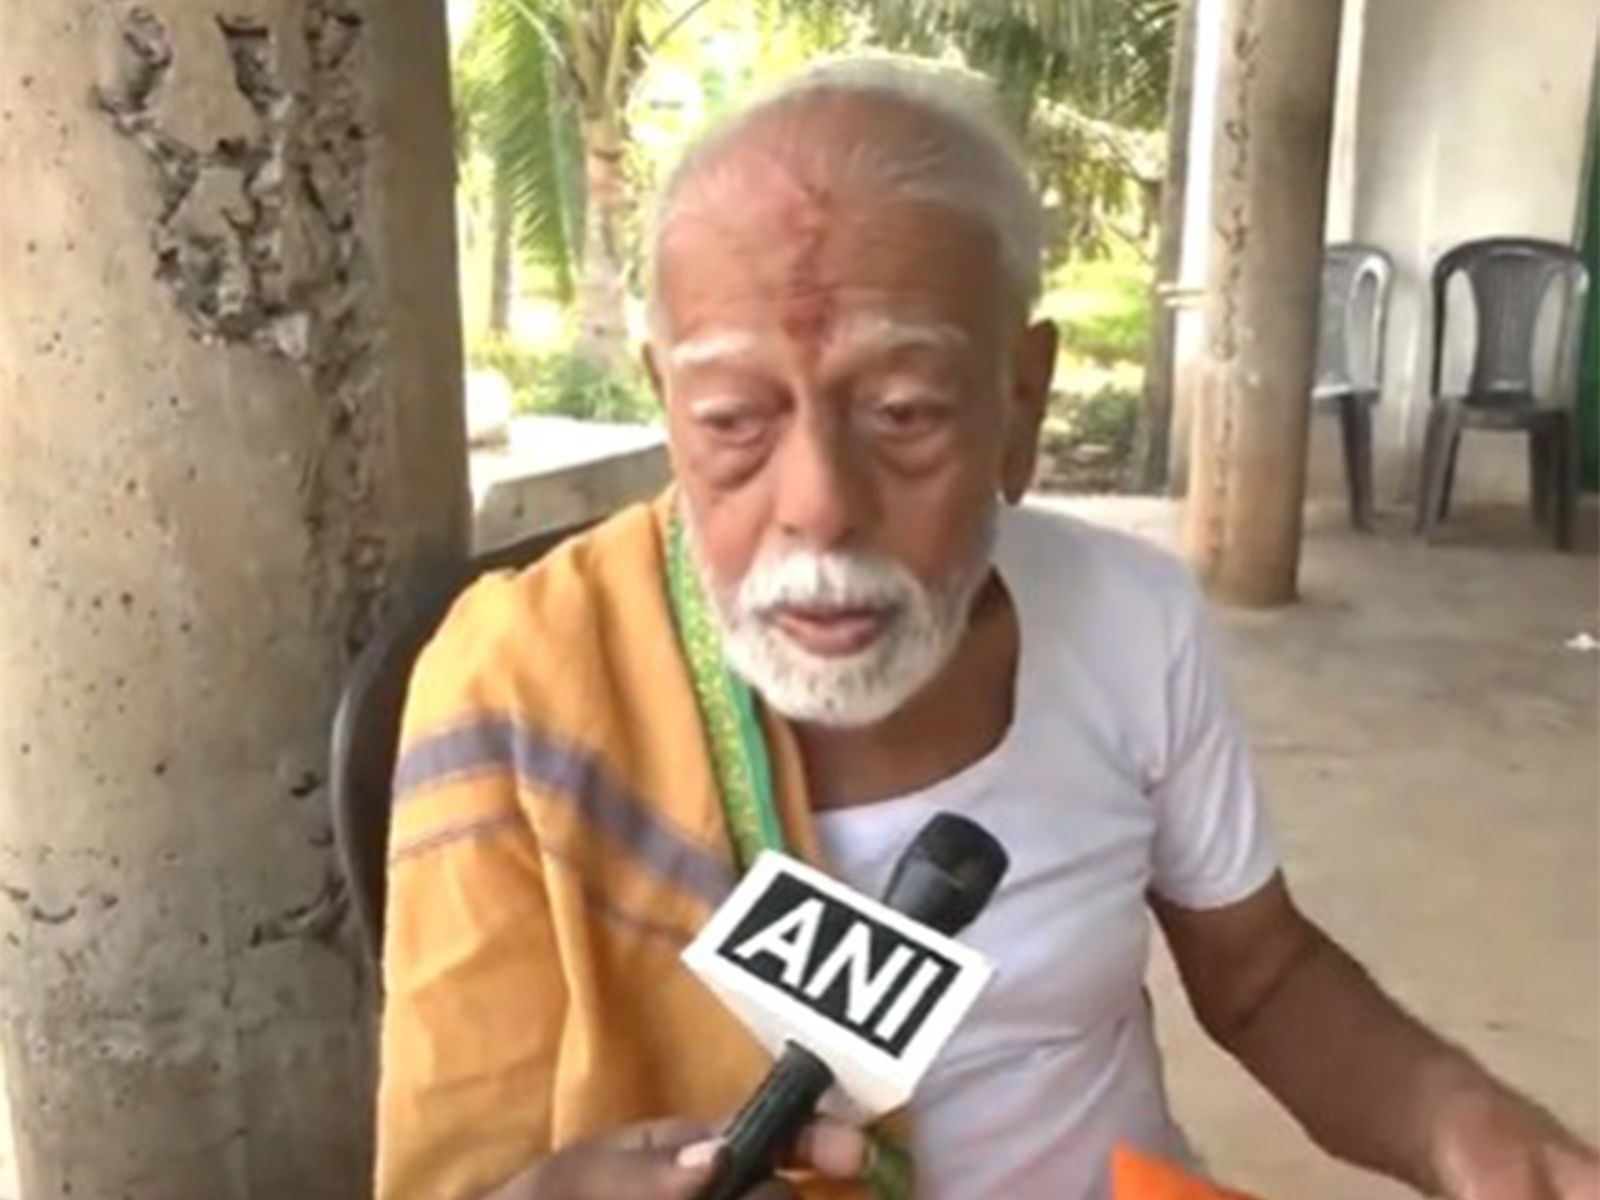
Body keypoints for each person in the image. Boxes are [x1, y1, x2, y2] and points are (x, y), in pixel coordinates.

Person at [374, 56, 1597, 1200]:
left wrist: (1469, 1128)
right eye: (735, 420)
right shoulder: (519, 690)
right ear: (664, 401)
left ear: (1021, 404)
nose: (818, 510)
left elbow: (1265, 977)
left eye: (903, 414)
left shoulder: (1131, 620)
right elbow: (462, 1165)